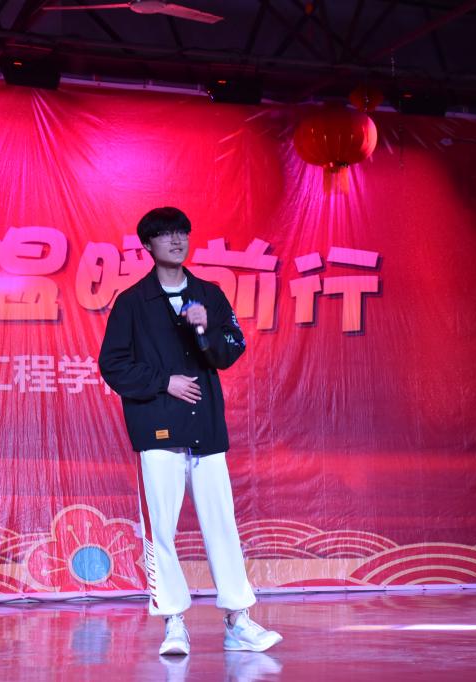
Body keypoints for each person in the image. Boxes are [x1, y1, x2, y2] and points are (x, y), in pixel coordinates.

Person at [98, 207, 282, 656]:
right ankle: (173, 623)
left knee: (221, 523)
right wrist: (165, 382)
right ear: (148, 245)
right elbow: (113, 364)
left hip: (206, 430)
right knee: (161, 527)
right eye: (165, 234)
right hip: (157, 428)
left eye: (182, 232)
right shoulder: (133, 302)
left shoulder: (208, 294)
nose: (176, 240)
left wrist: (203, 328)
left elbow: (230, 349)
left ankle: (238, 619)